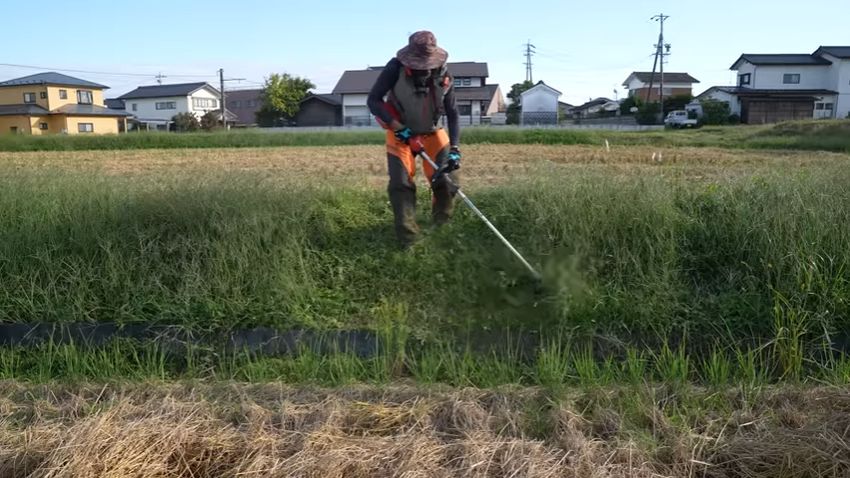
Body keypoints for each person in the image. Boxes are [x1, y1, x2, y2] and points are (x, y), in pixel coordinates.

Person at [367, 30, 461, 247]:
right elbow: (373, 101)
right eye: (418, 64)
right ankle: (409, 239)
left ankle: (441, 228)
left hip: (432, 131)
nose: (423, 69)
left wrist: (455, 148)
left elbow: (453, 113)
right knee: (401, 184)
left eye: (426, 64)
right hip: (400, 132)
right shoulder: (394, 68)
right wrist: (401, 130)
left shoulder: (445, 74)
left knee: (448, 181)